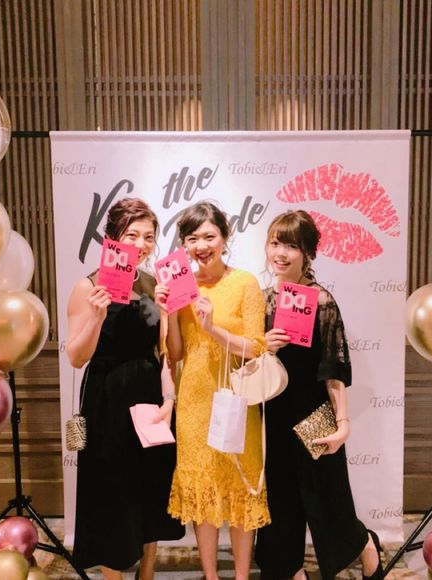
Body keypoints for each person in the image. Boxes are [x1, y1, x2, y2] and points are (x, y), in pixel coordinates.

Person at [254, 210, 383, 580]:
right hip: (272, 415)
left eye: (291, 246)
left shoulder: (322, 301)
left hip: (313, 414)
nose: (280, 253)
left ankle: (365, 546)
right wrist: (264, 346)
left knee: (328, 499)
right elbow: (247, 361)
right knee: (280, 501)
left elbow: (334, 370)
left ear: (307, 253)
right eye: (275, 243)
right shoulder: (262, 300)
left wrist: (342, 423)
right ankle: (291, 571)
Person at [66, 197, 184, 580]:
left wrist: (170, 398)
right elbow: (76, 357)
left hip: (150, 398)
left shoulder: (153, 284)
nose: (141, 244)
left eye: (149, 237)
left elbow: (167, 352)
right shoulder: (87, 287)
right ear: (112, 238)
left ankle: (146, 573)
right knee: (111, 493)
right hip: (108, 401)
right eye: (132, 235)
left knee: (152, 487)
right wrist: (97, 317)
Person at [155, 201, 270, 580]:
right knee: (203, 494)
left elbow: (256, 346)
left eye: (209, 236)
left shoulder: (245, 283)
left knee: (238, 489)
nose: (201, 246)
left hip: (236, 400)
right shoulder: (180, 285)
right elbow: (175, 353)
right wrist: (169, 312)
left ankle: (241, 575)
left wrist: (213, 329)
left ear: (224, 237)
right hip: (194, 402)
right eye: (192, 239)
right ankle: (210, 576)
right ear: (184, 245)